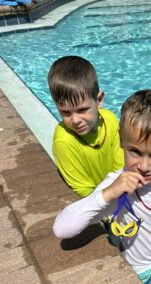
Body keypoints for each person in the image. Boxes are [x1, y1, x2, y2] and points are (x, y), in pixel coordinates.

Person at [53, 89, 151, 284]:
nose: (144, 166)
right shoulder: (117, 185)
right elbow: (61, 229)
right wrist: (107, 194)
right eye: (135, 151)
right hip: (145, 269)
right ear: (120, 140)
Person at [48, 56, 124, 197]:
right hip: (97, 203)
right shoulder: (64, 142)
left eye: (82, 110)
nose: (75, 120)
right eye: (65, 112)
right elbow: (85, 191)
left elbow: (121, 168)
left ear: (99, 100)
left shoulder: (111, 120)